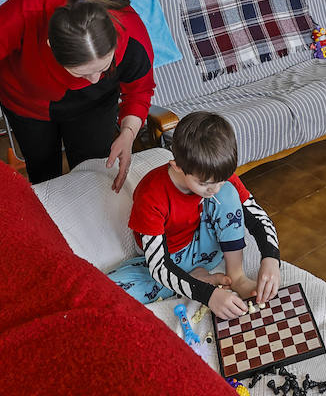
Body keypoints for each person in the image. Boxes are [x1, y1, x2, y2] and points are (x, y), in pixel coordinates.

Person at [0, 0, 153, 191]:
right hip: (26, 101)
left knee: (92, 170)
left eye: (103, 69)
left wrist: (128, 133)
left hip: (96, 105)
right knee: (43, 173)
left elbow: (139, 91)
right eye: (82, 73)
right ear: (50, 46)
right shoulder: (28, 10)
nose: (94, 80)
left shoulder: (131, 32)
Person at [109, 111, 280, 321]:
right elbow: (158, 266)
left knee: (228, 192)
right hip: (167, 258)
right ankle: (195, 279)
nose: (214, 189)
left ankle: (236, 276)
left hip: (206, 249)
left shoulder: (216, 178)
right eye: (204, 183)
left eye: (220, 179)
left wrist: (271, 258)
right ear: (177, 166)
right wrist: (208, 295)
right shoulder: (151, 194)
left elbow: (258, 216)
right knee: (111, 293)